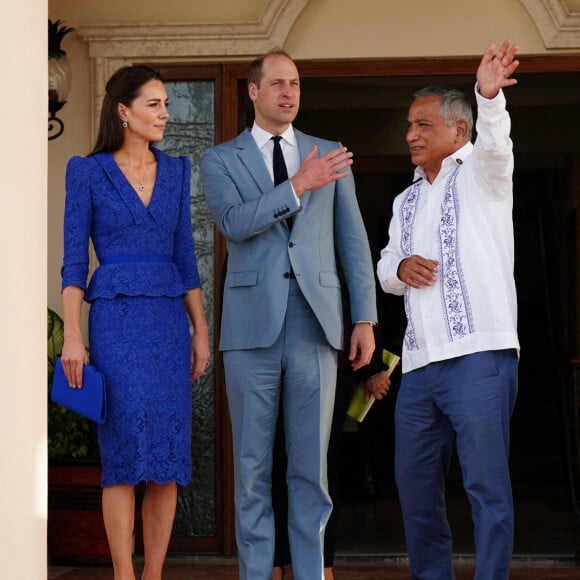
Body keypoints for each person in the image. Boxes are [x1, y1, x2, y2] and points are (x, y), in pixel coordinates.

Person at [202, 50, 378, 580]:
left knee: (311, 469)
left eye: (295, 83)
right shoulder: (221, 159)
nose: (289, 92)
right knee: (252, 470)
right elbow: (233, 223)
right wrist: (298, 185)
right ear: (252, 92)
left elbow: (352, 239)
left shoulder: (331, 153)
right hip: (250, 330)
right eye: (277, 83)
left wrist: (364, 317)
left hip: (316, 326)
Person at [376, 40, 521, 579]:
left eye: (424, 125)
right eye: (409, 126)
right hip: (417, 365)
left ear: (459, 132)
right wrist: (400, 268)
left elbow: (497, 143)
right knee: (414, 488)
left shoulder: (484, 173)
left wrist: (488, 95)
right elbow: (385, 267)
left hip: (480, 355)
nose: (411, 134)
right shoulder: (405, 199)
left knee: (486, 486)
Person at [60, 65, 210, 580]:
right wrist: (73, 336)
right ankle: (125, 574)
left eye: (166, 103)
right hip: (116, 325)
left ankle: (154, 575)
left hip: (168, 324)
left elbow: (186, 259)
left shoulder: (177, 171)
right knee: (122, 453)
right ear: (123, 111)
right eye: (154, 104)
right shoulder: (86, 170)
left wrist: (201, 333)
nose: (165, 113)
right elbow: (74, 264)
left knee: (167, 458)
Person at [272, 328, 391, 580]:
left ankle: (323, 564)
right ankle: (277, 562)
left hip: (332, 356)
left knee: (319, 463)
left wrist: (372, 366)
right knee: (274, 459)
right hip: (272, 351)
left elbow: (359, 295)